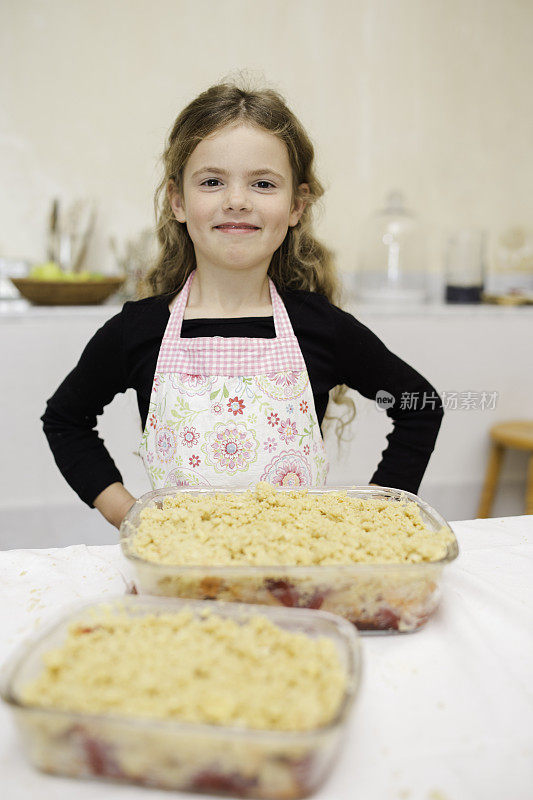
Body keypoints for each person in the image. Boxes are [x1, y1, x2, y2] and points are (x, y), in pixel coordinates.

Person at [41, 78, 444, 529]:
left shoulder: (320, 327)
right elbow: (64, 421)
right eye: (212, 181)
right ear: (178, 200)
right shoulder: (140, 330)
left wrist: (369, 515)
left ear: (296, 206)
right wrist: (131, 516)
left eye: (263, 184)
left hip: (296, 576)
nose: (236, 201)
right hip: (180, 579)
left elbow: (421, 405)